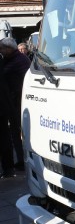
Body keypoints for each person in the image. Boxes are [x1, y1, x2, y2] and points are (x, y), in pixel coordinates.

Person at [0, 37, 30, 170]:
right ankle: (21, 159)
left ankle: (22, 160)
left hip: (17, 102)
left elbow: (3, 74)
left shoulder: (16, 61)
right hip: (16, 100)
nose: (0, 51)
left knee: (17, 131)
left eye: (2, 48)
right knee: (16, 131)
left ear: (8, 49)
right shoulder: (15, 58)